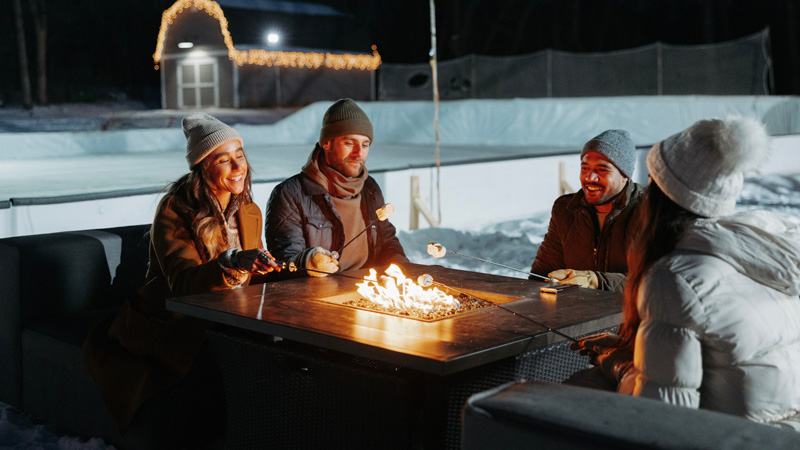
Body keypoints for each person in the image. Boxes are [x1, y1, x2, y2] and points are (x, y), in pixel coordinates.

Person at [572, 116, 800, 429]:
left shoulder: (675, 278)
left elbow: (663, 417)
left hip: (737, 438)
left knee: (576, 390)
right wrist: (631, 350)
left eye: (652, 180)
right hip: (785, 433)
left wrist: (617, 364)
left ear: (664, 194)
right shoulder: (765, 252)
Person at [83, 113, 280, 446]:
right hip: (174, 321)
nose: (238, 167)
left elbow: (255, 273)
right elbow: (183, 284)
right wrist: (233, 262)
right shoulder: (176, 209)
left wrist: (298, 264)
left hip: (228, 317)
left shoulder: (248, 210)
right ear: (203, 166)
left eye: (240, 155)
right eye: (223, 159)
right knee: (230, 363)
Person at [265, 98, 408, 276]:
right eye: (350, 143)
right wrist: (309, 261)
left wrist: (402, 271)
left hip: (369, 286)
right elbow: (285, 261)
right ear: (326, 143)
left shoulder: (370, 189)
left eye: (365, 145)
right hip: (319, 290)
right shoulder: (291, 194)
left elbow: (386, 240)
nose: (358, 153)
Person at [530, 129, 645, 292]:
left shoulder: (651, 211)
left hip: (630, 309)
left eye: (602, 170)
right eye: (585, 168)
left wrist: (595, 281)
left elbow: (657, 281)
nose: (590, 178)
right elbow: (541, 273)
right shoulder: (566, 210)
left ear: (625, 175)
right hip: (576, 307)